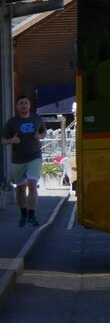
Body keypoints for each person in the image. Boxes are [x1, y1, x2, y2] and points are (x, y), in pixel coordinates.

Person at [2, 94, 46, 227]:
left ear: (29, 105)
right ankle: (24, 213)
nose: (24, 105)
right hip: (18, 160)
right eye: (21, 103)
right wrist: (11, 140)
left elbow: (44, 132)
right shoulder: (12, 122)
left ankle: (32, 215)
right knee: (20, 189)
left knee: (32, 184)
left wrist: (40, 136)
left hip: (34, 156)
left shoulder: (36, 118)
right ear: (17, 106)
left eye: (26, 103)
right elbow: (2, 139)